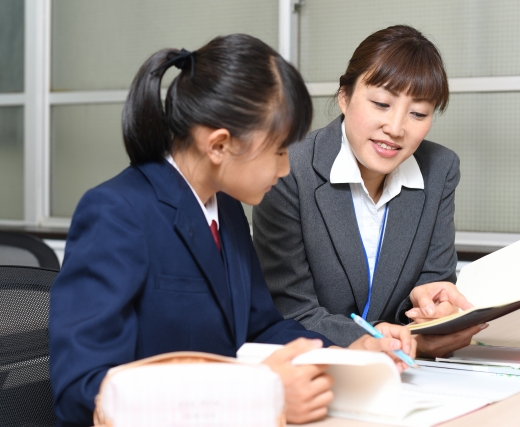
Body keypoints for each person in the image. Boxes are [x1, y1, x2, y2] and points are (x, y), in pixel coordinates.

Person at [48, 34, 414, 427]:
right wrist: (259, 396)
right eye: (278, 151)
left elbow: (261, 327)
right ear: (220, 146)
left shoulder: (227, 208)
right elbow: (82, 390)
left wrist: (348, 353)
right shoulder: (116, 213)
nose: (286, 169)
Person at [253, 25, 486, 356]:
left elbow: (434, 280)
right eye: (381, 103)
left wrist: (437, 309)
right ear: (344, 97)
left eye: (418, 113)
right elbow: (291, 310)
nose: (395, 128)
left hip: (411, 372)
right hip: (319, 364)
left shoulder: (440, 169)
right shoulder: (288, 169)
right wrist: (379, 339)